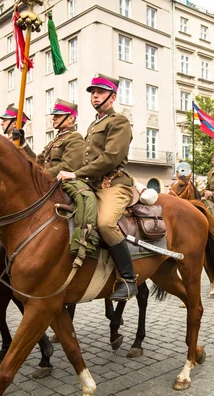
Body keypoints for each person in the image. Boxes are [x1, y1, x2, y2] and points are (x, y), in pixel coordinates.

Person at [56, 74, 136, 302]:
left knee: (105, 223)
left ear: (112, 96)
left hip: (113, 184)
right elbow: (85, 159)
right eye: (92, 93)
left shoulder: (119, 121)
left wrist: (76, 173)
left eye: (100, 92)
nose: (95, 96)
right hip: (91, 183)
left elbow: (111, 158)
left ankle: (129, 281)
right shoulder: (93, 125)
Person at [17, 99, 86, 177]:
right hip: (47, 182)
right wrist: (23, 143)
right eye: (54, 115)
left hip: (60, 183)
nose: (53, 118)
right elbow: (37, 161)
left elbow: (68, 167)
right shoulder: (56, 140)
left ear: (71, 118)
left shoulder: (75, 138)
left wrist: (41, 175)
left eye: (58, 115)